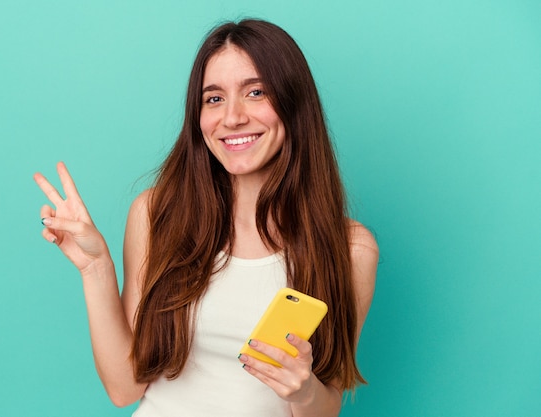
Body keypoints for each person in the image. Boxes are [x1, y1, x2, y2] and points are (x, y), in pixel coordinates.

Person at [34, 19, 378, 417]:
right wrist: (95, 268)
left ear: (293, 102)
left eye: (256, 92)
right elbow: (124, 387)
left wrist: (302, 392)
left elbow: (325, 406)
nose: (232, 118)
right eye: (213, 99)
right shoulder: (156, 215)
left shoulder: (350, 249)